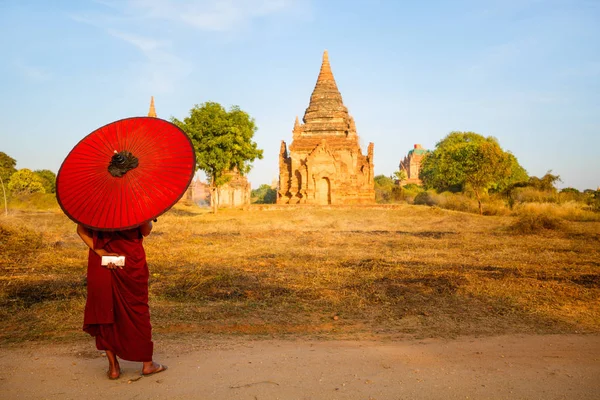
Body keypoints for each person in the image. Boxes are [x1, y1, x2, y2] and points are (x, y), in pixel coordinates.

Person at [77, 221, 167, 379]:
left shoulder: (95, 207)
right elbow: (145, 231)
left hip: (102, 263)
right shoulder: (134, 204)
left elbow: (81, 231)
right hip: (130, 263)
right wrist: (148, 217)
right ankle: (147, 364)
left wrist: (102, 252)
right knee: (137, 310)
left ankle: (113, 368)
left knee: (105, 310)